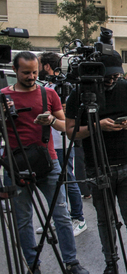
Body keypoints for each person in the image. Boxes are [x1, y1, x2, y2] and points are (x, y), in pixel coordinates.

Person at [65, 51, 127, 274]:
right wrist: (98, 126)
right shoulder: (79, 94)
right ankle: (110, 264)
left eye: (116, 75)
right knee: (105, 220)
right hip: (97, 167)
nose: (112, 80)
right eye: (108, 76)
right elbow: (70, 131)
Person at [2, 51, 90, 274]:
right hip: (14, 164)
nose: (31, 77)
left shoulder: (48, 93)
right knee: (22, 219)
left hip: (47, 162)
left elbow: (65, 126)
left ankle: (71, 262)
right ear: (15, 70)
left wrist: (50, 120)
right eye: (26, 73)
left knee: (60, 214)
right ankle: (32, 267)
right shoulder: (3, 97)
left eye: (34, 72)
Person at [38, 52, 88, 237]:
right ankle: (60, 217)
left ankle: (78, 218)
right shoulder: (49, 85)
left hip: (61, 141)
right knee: (56, 183)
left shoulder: (65, 86)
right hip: (49, 141)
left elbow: (67, 115)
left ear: (46, 66)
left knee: (68, 179)